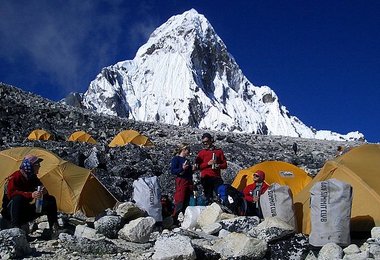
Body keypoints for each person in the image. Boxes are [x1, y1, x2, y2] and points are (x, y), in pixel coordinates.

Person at [1, 155, 59, 237]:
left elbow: (42, 193)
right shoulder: (15, 176)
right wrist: (30, 195)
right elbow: (11, 193)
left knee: (50, 200)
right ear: (29, 166)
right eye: (37, 164)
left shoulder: (33, 178)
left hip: (25, 211)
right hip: (11, 213)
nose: (39, 166)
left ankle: (54, 228)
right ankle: (16, 228)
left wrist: (44, 192)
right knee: (18, 198)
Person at [195, 133, 227, 204]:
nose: (205, 143)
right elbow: (197, 167)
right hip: (206, 178)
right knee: (208, 197)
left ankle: (223, 208)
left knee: (221, 193)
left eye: (207, 141)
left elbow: (225, 165)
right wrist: (207, 164)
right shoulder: (201, 153)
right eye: (203, 142)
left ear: (211, 140)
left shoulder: (219, 151)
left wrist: (218, 166)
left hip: (216, 177)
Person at [170, 143, 194, 224]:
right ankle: (174, 218)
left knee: (187, 199)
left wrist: (193, 169)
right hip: (181, 180)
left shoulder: (187, 160)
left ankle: (184, 219)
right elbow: (173, 170)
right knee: (180, 199)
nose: (189, 152)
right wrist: (182, 168)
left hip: (188, 181)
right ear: (183, 150)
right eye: (188, 150)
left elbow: (189, 172)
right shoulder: (176, 159)